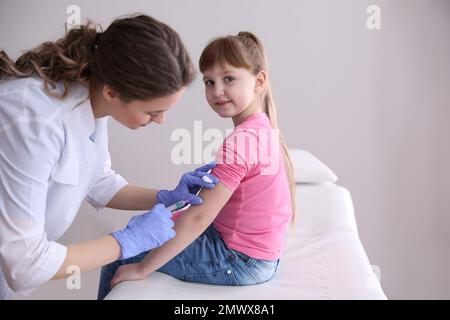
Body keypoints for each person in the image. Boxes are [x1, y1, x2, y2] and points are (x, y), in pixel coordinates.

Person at [0, 14, 219, 300]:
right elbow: (25, 265)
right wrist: (125, 241)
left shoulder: (91, 101)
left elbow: (98, 181)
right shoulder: (34, 120)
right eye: (153, 112)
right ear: (113, 92)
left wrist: (164, 196)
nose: (161, 121)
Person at [98, 31, 296, 300]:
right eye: (209, 81)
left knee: (119, 253)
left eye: (229, 79)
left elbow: (199, 218)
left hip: (238, 261)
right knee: (152, 229)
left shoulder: (243, 141)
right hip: (260, 256)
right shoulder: (264, 129)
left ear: (259, 81)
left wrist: (143, 268)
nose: (217, 91)